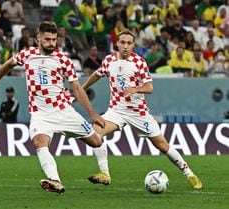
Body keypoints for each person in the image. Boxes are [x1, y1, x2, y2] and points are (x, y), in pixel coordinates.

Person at [0, 21, 105, 193]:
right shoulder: (27, 54)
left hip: (64, 111)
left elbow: (77, 88)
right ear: (38, 38)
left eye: (54, 40)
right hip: (41, 115)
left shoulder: (63, 59)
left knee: (97, 141)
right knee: (39, 143)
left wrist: (92, 115)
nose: (51, 43)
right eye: (47, 39)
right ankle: (55, 181)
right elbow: (8, 64)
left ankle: (105, 172)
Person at [81, 29, 202, 189]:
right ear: (117, 43)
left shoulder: (139, 62)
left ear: (134, 46)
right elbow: (97, 74)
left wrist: (136, 89)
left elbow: (149, 87)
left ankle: (189, 173)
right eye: (122, 42)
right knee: (96, 132)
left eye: (128, 43)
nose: (125, 46)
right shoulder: (109, 60)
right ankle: (105, 174)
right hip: (116, 111)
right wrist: (81, 88)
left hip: (138, 113)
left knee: (162, 145)